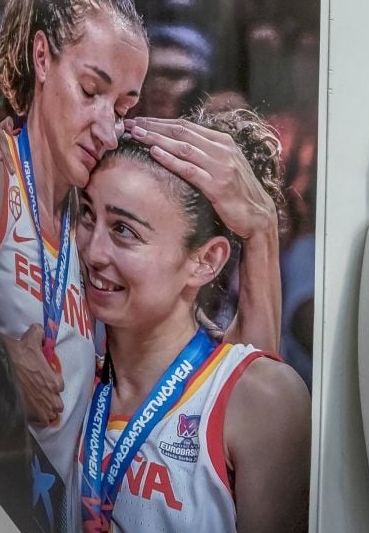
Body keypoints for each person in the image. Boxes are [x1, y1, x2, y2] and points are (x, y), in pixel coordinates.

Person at [0, 0, 283, 532]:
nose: (106, 122)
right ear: (42, 58)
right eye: (91, 90)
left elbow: (241, 384)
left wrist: (261, 228)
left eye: (123, 103)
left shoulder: (85, 207)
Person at [75, 109, 309, 532]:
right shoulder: (69, 373)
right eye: (89, 215)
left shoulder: (261, 399)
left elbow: (243, 377)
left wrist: (261, 230)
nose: (93, 251)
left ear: (205, 261)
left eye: (124, 229)